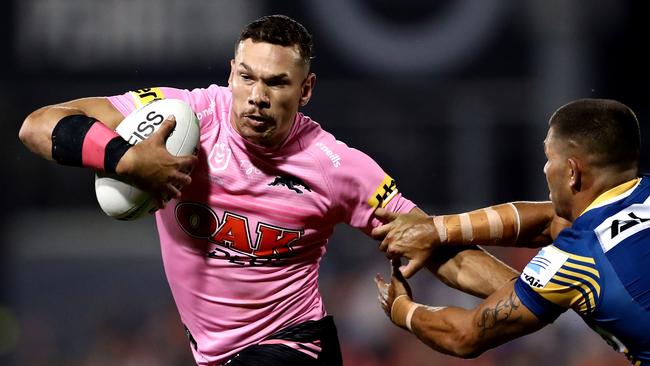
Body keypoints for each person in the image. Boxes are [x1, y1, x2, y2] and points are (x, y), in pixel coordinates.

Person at [18, 14, 518, 365]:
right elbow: (39, 125)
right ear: (230, 74)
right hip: (213, 355)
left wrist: (538, 288)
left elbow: (431, 246)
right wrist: (126, 158)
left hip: (295, 347)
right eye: (246, 76)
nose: (257, 97)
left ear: (306, 90)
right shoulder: (179, 119)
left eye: (277, 83)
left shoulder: (336, 167)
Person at [374, 98, 650, 365]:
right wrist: (437, 230)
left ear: (571, 171)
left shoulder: (575, 259)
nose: (545, 169)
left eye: (549, 158)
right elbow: (550, 221)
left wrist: (401, 308)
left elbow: (464, 335)